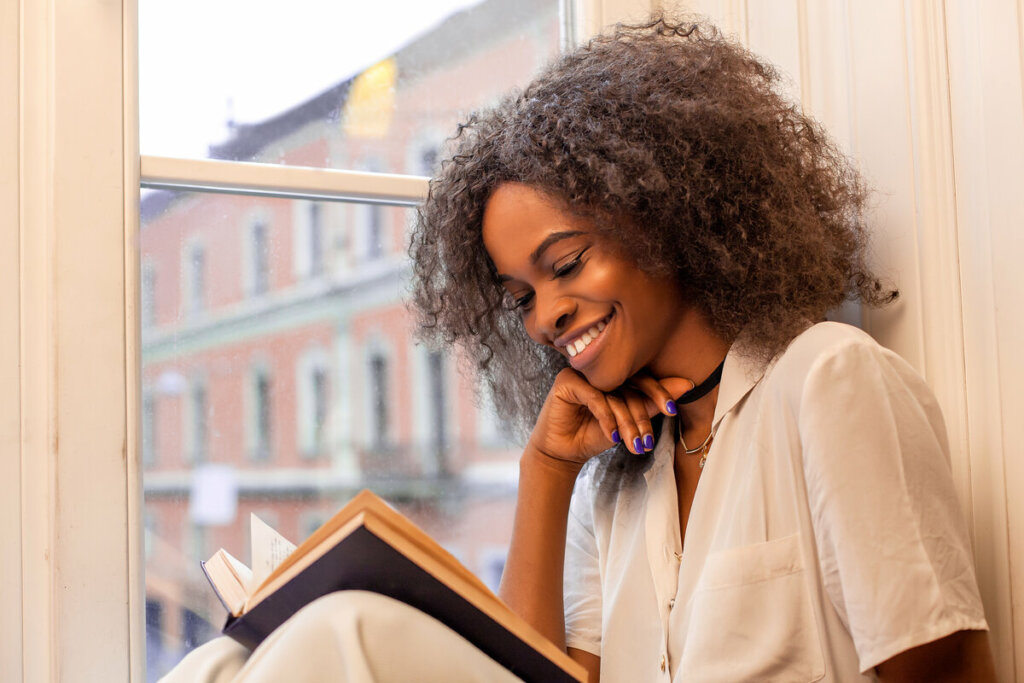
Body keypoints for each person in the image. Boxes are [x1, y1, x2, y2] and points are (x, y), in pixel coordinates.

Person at [163, 15, 995, 683]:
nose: (545, 316)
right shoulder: (615, 480)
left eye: (565, 265)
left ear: (665, 213)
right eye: (521, 296)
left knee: (342, 632)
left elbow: (950, 670)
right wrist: (546, 471)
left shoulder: (828, 380)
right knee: (225, 659)